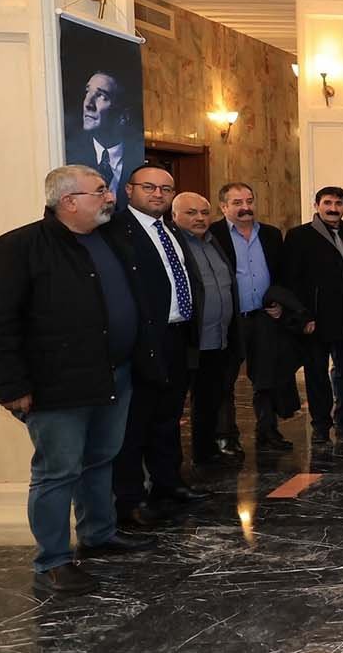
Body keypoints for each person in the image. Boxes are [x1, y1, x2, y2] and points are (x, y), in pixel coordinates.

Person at [0, 166, 157, 594]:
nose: (109, 197)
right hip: (57, 385)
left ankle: (99, 532)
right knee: (58, 471)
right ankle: (53, 559)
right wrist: (10, 386)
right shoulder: (16, 248)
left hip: (115, 375)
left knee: (101, 458)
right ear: (69, 201)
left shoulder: (109, 240)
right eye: (99, 192)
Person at [109, 165, 207, 527]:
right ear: (129, 190)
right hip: (141, 339)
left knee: (168, 417)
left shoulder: (170, 231)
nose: (158, 194)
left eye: (166, 189)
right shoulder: (116, 233)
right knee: (135, 422)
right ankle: (130, 499)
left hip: (176, 337)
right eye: (149, 187)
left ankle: (168, 484)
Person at [281, 187, 343, 443]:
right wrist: (303, 317)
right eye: (328, 203)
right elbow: (292, 280)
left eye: (338, 203)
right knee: (317, 372)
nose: (333, 208)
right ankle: (321, 422)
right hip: (316, 318)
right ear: (317, 205)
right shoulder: (299, 236)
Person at [211, 182, 288, 449]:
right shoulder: (212, 234)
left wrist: (279, 302)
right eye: (237, 203)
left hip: (264, 317)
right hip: (230, 319)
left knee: (266, 377)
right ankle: (226, 437)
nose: (246, 207)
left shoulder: (271, 234)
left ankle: (268, 430)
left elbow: (281, 274)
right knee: (224, 379)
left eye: (249, 201)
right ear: (223, 206)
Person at [171, 193, 237, 468]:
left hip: (218, 338)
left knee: (210, 399)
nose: (199, 218)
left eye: (204, 212)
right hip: (188, 340)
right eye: (191, 213)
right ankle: (171, 469)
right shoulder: (174, 245)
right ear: (174, 216)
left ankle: (205, 452)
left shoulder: (214, 242)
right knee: (173, 407)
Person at [65, 72, 138, 209]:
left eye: (102, 96)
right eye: (88, 92)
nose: (88, 104)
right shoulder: (70, 158)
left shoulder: (138, 164)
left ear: (124, 116)